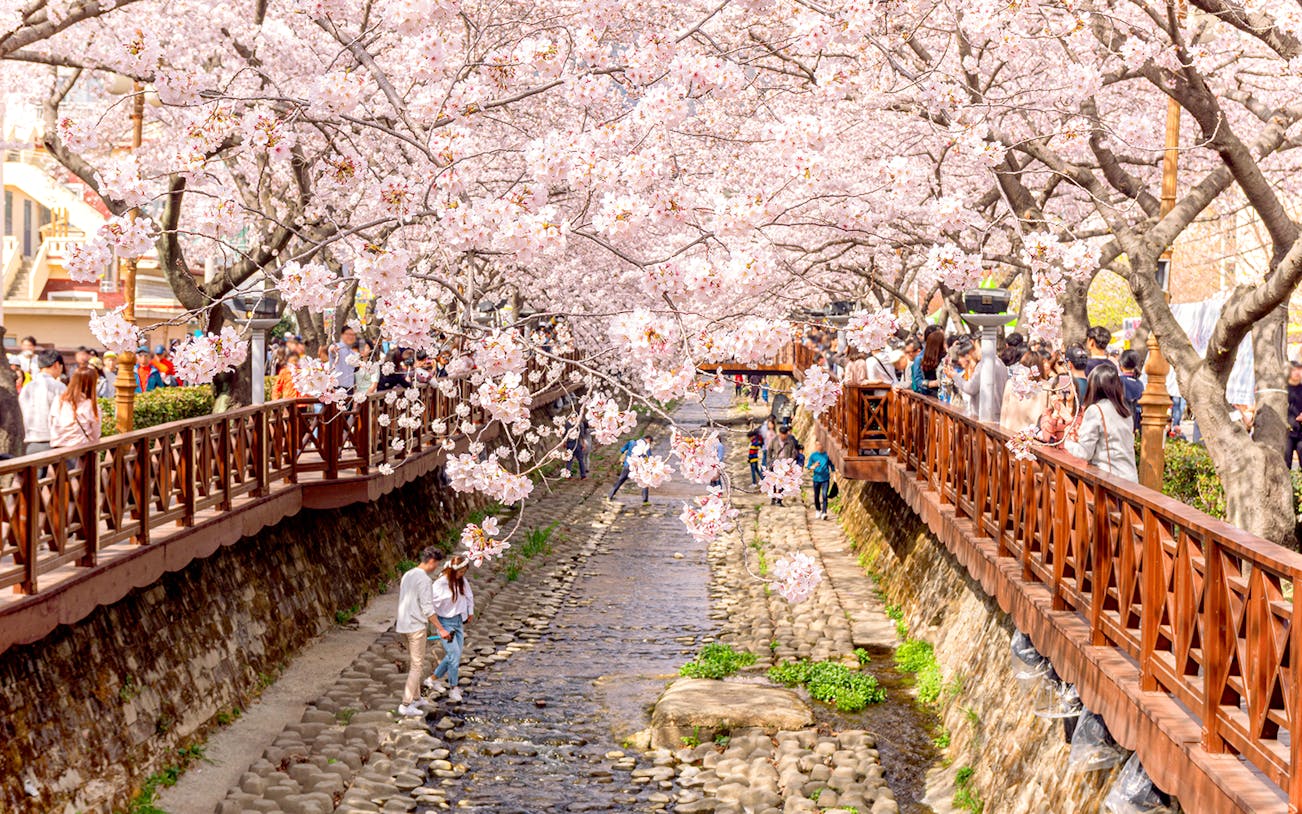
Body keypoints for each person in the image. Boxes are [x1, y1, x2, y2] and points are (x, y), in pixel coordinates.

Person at [396, 546, 451, 717]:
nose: (436, 568)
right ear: (432, 561)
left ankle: (417, 698)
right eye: (437, 564)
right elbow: (428, 609)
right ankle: (405, 704)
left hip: (403, 625)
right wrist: (441, 629)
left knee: (415, 662)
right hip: (415, 627)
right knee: (417, 666)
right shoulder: (425, 580)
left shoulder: (408, 574)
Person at [1066, 364, 1138, 482]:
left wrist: (1067, 442)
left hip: (1110, 480)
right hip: (1130, 479)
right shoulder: (1125, 412)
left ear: (1093, 387)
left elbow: (1084, 452)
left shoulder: (1095, 410)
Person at [429, 555, 474, 703]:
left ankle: (433, 679)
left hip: (458, 622)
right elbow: (430, 609)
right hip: (445, 623)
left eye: (464, 572)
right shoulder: (439, 584)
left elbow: (468, 596)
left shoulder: (462, 581)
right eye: (460, 572)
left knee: (454, 655)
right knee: (454, 656)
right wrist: (440, 629)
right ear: (452, 570)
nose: (462, 575)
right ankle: (454, 688)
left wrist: (470, 611)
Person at [19, 349, 67, 456]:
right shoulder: (59, 387)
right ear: (56, 364)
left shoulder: (27, 387)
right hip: (53, 441)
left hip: (30, 441)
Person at [955, 338, 1008, 422]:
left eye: (976, 349)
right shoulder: (1000, 363)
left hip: (984, 416)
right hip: (997, 415)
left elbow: (970, 388)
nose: (974, 352)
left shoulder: (984, 364)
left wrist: (955, 376)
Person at [50, 366, 102, 449]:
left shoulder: (58, 400)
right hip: (79, 450)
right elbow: (96, 435)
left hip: (57, 449)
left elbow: (51, 423)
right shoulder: (91, 405)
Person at [609, 434, 654, 503]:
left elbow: (622, 450)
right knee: (644, 482)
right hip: (639, 466)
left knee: (621, 480)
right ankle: (645, 500)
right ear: (648, 440)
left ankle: (610, 495)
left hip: (628, 464)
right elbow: (649, 457)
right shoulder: (646, 447)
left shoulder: (631, 442)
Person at [767, 423, 798, 506]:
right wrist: (769, 462)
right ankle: (773, 498)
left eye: (785, 434)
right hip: (776, 463)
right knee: (774, 481)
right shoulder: (774, 441)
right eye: (782, 434)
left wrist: (791, 463)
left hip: (785, 465)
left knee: (782, 482)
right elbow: (769, 451)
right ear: (780, 433)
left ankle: (779, 500)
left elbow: (793, 452)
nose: (783, 436)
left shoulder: (790, 442)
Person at [910, 329, 946, 398]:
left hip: (942, 394)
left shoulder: (945, 357)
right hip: (928, 395)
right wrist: (933, 383)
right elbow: (918, 381)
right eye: (943, 342)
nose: (945, 344)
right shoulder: (920, 359)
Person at [1118, 350, 1144, 431]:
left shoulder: (1117, 381)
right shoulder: (1140, 384)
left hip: (1120, 423)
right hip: (1135, 423)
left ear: (1121, 365)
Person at [807, 440, 833, 519]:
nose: (819, 446)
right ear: (815, 445)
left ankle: (824, 512)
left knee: (824, 495)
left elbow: (831, 465)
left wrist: (834, 474)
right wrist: (814, 466)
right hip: (816, 479)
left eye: (821, 445)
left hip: (825, 478)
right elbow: (808, 466)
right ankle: (818, 510)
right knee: (816, 496)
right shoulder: (813, 456)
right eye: (818, 445)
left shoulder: (827, 455)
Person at [330, 327, 359, 393]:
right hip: (337, 386)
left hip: (350, 388)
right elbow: (332, 350)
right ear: (342, 335)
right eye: (348, 334)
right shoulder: (337, 347)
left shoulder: (353, 353)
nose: (351, 337)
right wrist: (333, 350)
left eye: (353, 335)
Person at [1288, 362, 1302, 468]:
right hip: (1286, 432)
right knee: (1285, 462)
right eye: (1294, 369)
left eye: (1299, 369)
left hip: (1301, 432)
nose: (1297, 372)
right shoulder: (1282, 390)